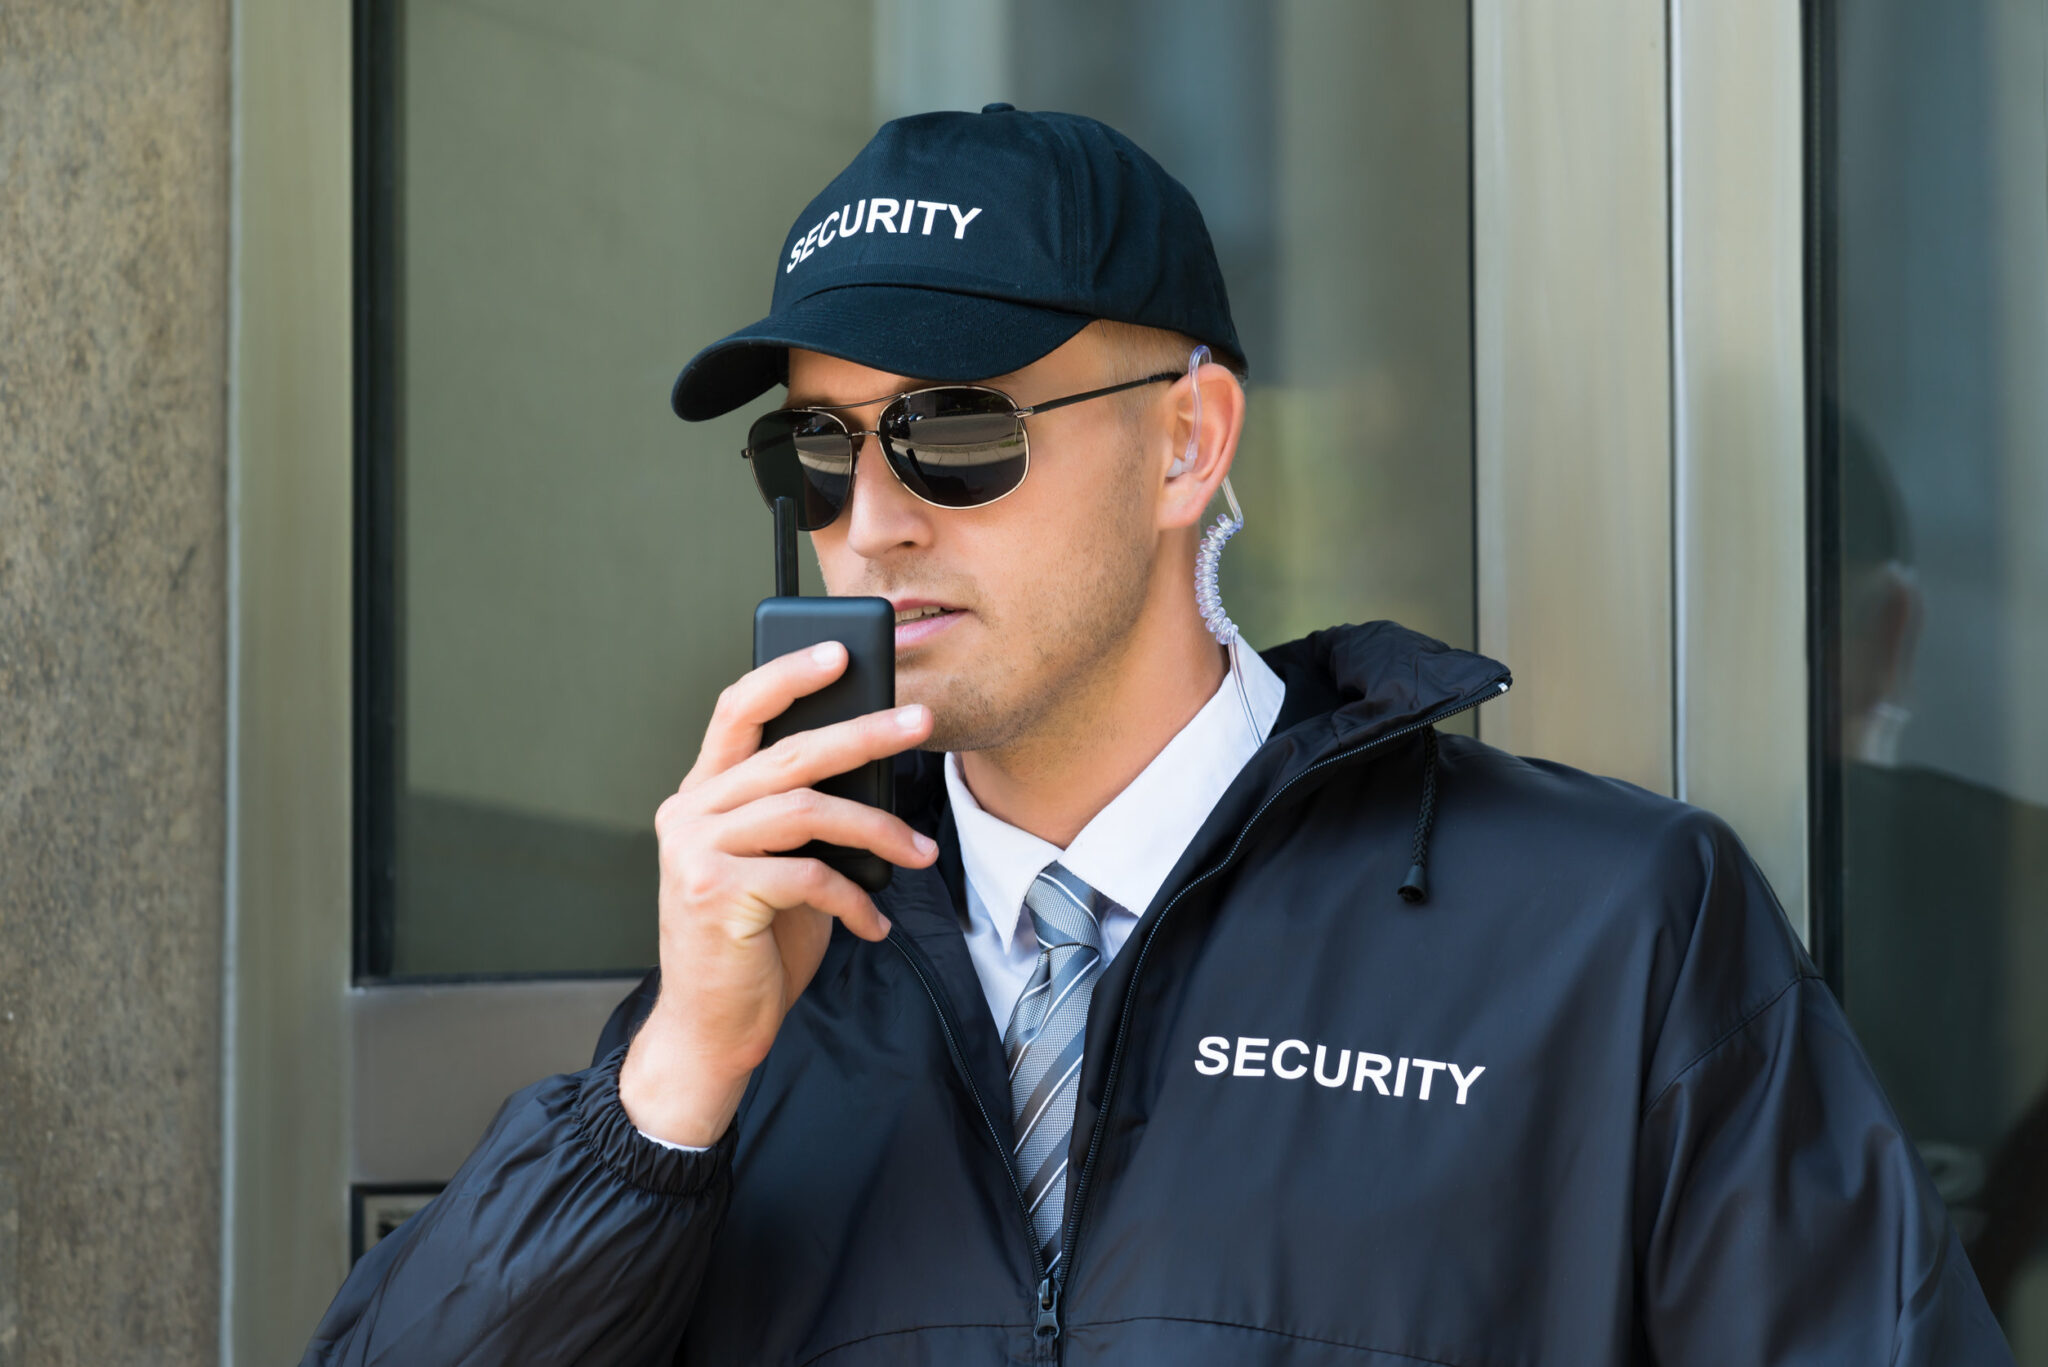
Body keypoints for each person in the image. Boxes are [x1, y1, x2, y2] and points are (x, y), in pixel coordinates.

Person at [301, 107, 2012, 1365]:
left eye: (954, 431)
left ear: (1188, 443)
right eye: (816, 453)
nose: (871, 521)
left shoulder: (1606, 927)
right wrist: (668, 1085)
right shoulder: (769, 969)